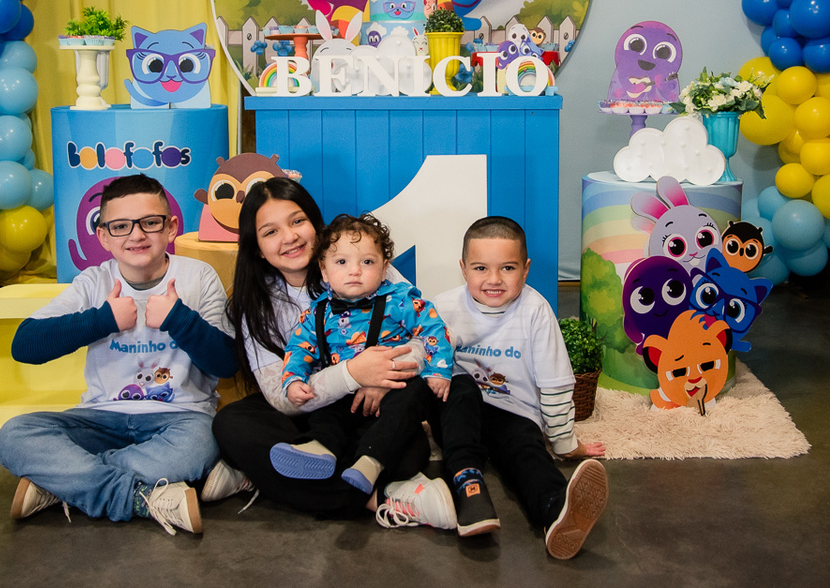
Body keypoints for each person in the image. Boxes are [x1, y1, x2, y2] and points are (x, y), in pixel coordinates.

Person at [208, 177, 455, 530]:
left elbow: (430, 334)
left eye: (297, 221)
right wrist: (352, 374)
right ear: (258, 248)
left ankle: (261, 474)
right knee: (231, 423)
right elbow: (279, 397)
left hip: (373, 405)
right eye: (271, 231)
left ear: (316, 225)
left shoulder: (358, 259)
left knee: (405, 445)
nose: (289, 237)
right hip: (312, 411)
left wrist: (381, 373)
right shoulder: (255, 303)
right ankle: (386, 496)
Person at [0, 174, 236, 535]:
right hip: (98, 418)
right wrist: (102, 320)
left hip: (181, 420)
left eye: (150, 222)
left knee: (204, 443)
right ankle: (138, 497)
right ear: (103, 236)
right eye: (121, 226)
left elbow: (226, 363)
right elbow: (24, 345)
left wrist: (178, 320)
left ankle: (62, 484)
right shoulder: (93, 282)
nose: (136, 235)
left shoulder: (198, 276)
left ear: (171, 228)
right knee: (14, 434)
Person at [432, 215, 610, 559]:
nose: (494, 280)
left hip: (512, 412)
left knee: (526, 454)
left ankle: (556, 509)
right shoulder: (443, 307)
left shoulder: (536, 311)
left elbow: (555, 385)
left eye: (508, 268)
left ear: (525, 269)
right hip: (459, 410)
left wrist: (565, 443)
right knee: (461, 389)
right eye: (480, 268)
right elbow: (424, 360)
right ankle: (469, 490)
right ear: (463, 269)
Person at [272, 213, 453, 495]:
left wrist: (439, 371)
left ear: (384, 269)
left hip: (392, 390)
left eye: (367, 262)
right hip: (348, 394)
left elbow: (433, 328)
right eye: (341, 262)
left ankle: (371, 461)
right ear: (324, 271)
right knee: (324, 409)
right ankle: (320, 447)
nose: (355, 271)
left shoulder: (398, 300)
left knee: (409, 399)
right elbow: (297, 349)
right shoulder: (317, 313)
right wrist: (293, 380)